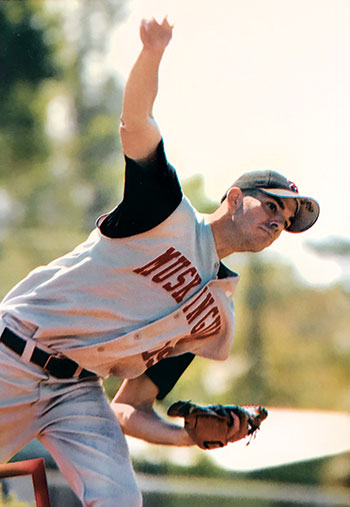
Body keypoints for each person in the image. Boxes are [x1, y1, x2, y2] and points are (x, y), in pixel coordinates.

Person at [0, 17, 319, 507]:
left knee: (121, 501)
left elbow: (129, 408)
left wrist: (189, 437)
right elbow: (136, 126)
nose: (279, 221)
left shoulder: (215, 317)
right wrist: (151, 53)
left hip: (76, 393)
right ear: (235, 198)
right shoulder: (165, 213)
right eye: (272, 205)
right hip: (13, 357)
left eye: (288, 219)